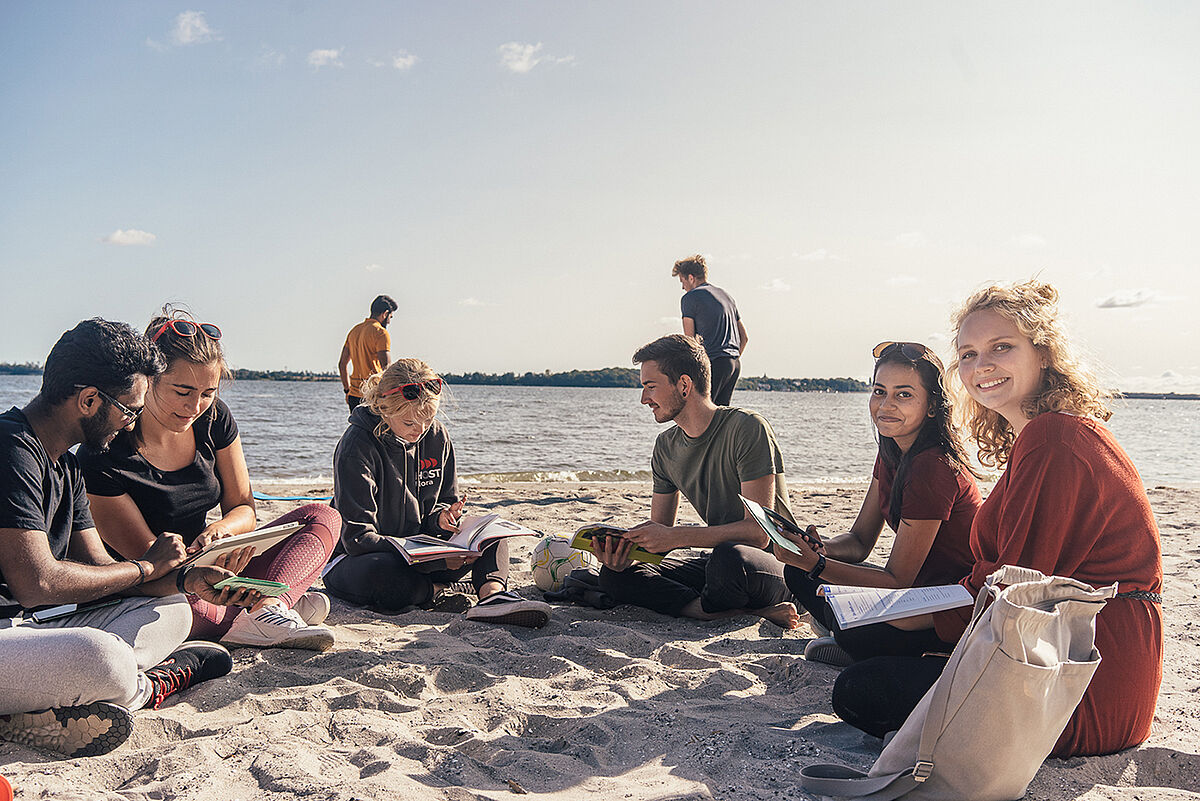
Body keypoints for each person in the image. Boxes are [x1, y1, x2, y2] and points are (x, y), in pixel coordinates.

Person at [831, 280, 1163, 758]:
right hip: (1063, 646)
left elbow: (1016, 592)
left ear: (1044, 354)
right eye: (967, 354)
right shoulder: (1043, 435)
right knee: (869, 629)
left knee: (861, 689)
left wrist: (916, 612)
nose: (980, 365)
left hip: (1088, 677)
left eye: (1001, 347)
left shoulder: (1054, 440)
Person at [0, 319, 257, 758]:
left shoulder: (66, 465)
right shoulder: (11, 448)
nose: (131, 422)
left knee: (173, 610)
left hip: (26, 630)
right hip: (13, 632)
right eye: (129, 410)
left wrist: (183, 583)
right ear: (88, 400)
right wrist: (146, 566)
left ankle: (34, 707)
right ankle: (148, 687)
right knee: (103, 658)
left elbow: (103, 573)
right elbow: (37, 584)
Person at [80, 311, 340, 652]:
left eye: (207, 393)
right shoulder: (105, 451)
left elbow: (243, 508)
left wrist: (224, 533)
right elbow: (150, 563)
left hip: (215, 561)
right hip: (163, 583)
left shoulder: (215, 418)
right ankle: (273, 604)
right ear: (149, 380)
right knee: (183, 611)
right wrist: (203, 571)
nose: (195, 406)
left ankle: (266, 608)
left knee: (321, 517)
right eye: (183, 391)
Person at [773, 342, 982, 666]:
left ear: (931, 406)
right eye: (879, 391)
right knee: (800, 574)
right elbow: (858, 543)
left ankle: (857, 644)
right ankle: (850, 640)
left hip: (941, 611)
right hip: (910, 594)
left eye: (903, 394)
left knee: (840, 612)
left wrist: (816, 564)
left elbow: (899, 579)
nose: (886, 405)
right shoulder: (891, 452)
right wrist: (819, 549)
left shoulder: (931, 467)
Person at [325, 358, 551, 627]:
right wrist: (438, 562)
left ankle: (492, 597)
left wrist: (443, 518)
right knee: (383, 573)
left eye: (427, 419)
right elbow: (358, 538)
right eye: (409, 422)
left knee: (491, 535)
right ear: (384, 409)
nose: (419, 431)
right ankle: (437, 591)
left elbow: (443, 500)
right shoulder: (357, 446)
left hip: (426, 554)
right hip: (360, 559)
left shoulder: (436, 435)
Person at [594, 334, 799, 628]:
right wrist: (626, 555)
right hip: (718, 565)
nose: (644, 399)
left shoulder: (747, 428)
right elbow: (660, 538)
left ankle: (711, 606)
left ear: (684, 385)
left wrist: (675, 536)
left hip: (774, 564)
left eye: (650, 387)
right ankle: (747, 615)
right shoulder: (665, 447)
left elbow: (759, 533)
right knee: (614, 577)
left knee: (729, 560)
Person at [673, 255, 747, 406]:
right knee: (719, 417)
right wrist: (730, 358)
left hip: (713, 362)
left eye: (683, 281)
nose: (683, 287)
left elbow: (690, 341)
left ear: (691, 278)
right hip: (734, 363)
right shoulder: (727, 296)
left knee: (698, 411)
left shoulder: (690, 298)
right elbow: (744, 337)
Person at [339, 295, 397, 412]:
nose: (389, 321)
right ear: (385, 314)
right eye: (390, 317)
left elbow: (342, 364)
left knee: (358, 429)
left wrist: (347, 390)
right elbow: (386, 368)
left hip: (354, 395)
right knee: (378, 430)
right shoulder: (380, 333)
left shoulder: (354, 331)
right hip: (373, 395)